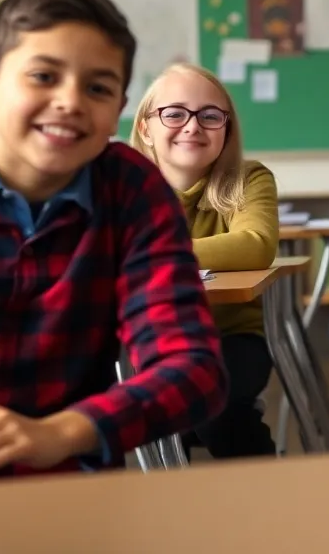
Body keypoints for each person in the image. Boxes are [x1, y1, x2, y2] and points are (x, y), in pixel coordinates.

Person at [0, 0, 226, 476]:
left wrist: (62, 433)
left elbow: (193, 369)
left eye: (97, 87)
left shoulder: (132, 190)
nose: (70, 101)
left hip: (67, 481)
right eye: (44, 76)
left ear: (118, 111)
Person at [131, 63, 279, 458]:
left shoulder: (248, 178)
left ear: (226, 130)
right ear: (146, 127)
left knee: (213, 404)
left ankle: (274, 499)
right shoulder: (122, 186)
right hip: (144, 341)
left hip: (230, 337)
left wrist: (149, 253)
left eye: (210, 116)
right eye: (174, 113)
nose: (193, 126)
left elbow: (256, 244)